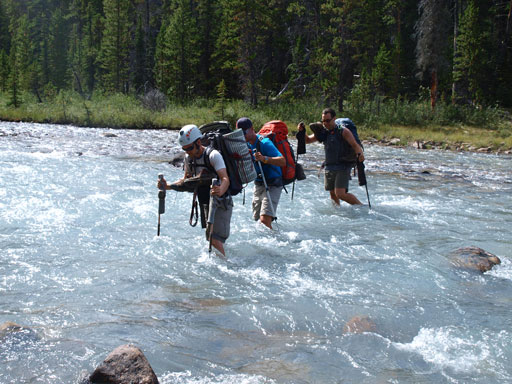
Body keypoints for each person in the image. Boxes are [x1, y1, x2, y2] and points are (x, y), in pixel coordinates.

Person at [158, 124, 233, 257]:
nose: (187, 152)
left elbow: (225, 178)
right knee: (211, 238)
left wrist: (220, 189)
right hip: (205, 201)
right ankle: (222, 260)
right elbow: (185, 181)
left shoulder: (213, 155)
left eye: (190, 148)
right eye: (184, 149)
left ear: (198, 142)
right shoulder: (188, 159)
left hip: (221, 201)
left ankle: (226, 267)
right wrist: (167, 186)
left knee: (214, 239)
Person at [299, 108, 365, 206]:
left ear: (334, 118)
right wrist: (302, 131)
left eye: (327, 120)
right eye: (323, 121)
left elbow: (355, 145)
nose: (325, 123)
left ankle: (361, 207)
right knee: (333, 193)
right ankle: (337, 213)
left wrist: (360, 155)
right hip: (329, 166)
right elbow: (307, 140)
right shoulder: (323, 132)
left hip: (343, 166)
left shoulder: (343, 131)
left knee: (340, 194)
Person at [236, 117, 285, 229]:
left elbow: (282, 161)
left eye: (244, 133)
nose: (242, 136)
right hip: (258, 184)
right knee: (257, 221)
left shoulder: (265, 142)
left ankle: (275, 244)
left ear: (252, 129)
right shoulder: (246, 145)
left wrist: (265, 159)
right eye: (240, 134)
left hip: (273, 184)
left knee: (264, 222)